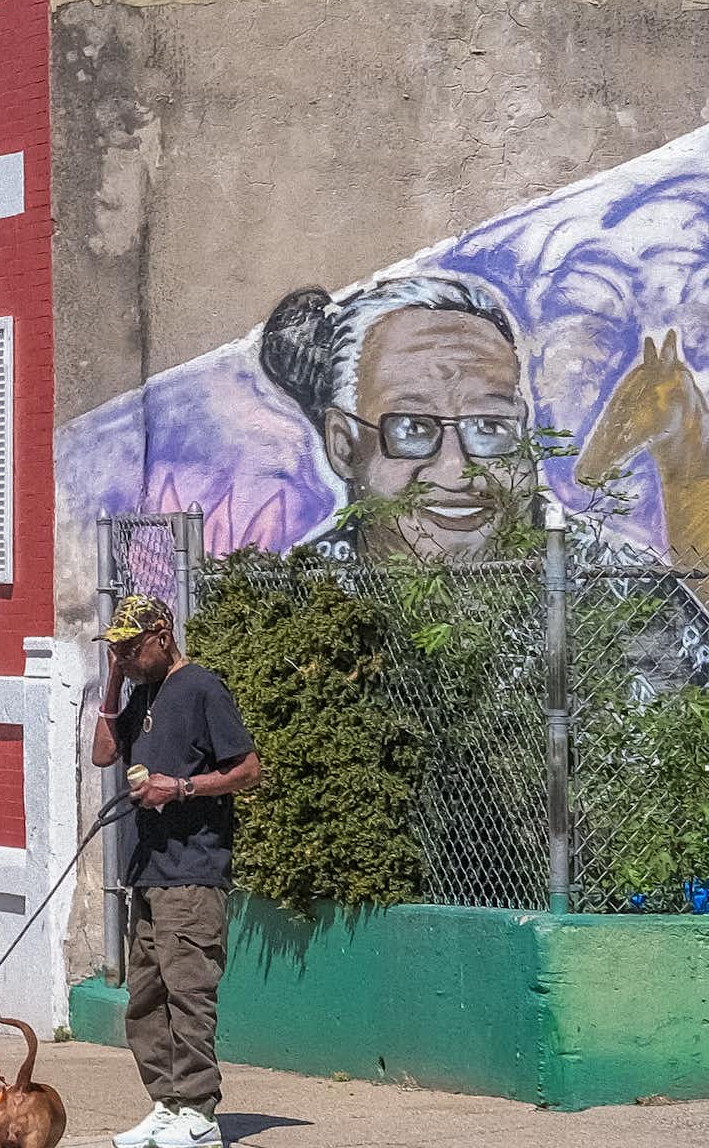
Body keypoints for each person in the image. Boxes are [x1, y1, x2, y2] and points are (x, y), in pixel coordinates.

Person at [90, 595, 262, 1148]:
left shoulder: (203, 688)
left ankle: (199, 1113)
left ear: (163, 636)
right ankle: (166, 1104)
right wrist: (115, 677)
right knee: (146, 994)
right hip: (150, 868)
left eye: (132, 648)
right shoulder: (140, 692)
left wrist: (181, 787)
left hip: (194, 867)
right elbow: (101, 755)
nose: (127, 657)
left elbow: (248, 770)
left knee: (189, 991)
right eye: (118, 649)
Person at [258, 275, 529, 560]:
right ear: (344, 447)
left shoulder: (577, 570)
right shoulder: (303, 593)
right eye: (412, 428)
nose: (457, 472)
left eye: (489, 426)